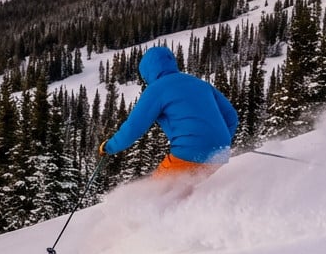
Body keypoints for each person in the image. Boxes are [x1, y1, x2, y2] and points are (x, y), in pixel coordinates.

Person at [99, 45, 238, 184]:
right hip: (220, 154)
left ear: (147, 72)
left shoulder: (156, 89)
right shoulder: (200, 83)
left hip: (189, 154)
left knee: (155, 194)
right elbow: (231, 116)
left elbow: (133, 127)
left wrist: (109, 147)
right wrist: (216, 142)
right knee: (197, 193)